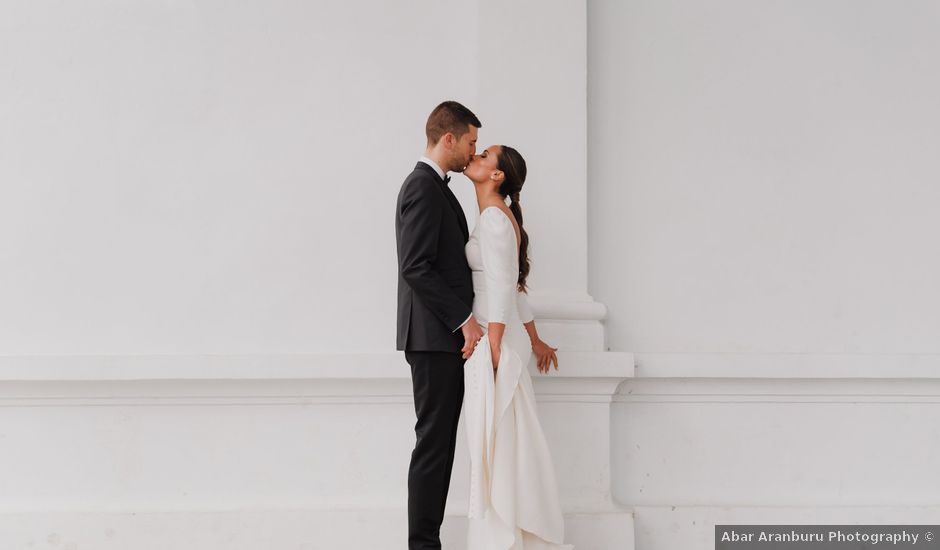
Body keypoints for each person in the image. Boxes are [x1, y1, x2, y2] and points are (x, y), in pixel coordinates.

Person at [460, 144, 572, 549]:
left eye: (485, 155)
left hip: (494, 338)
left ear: (497, 175)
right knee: (501, 436)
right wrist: (535, 338)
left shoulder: (493, 218)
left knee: (495, 437)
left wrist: (492, 344)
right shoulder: (499, 217)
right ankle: (509, 529)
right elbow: (517, 285)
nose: (476, 156)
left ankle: (506, 535)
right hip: (501, 335)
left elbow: (505, 284)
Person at [396, 100, 485, 550]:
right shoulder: (423, 187)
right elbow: (416, 266)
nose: (475, 151)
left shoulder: (437, 187)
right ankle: (423, 545)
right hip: (434, 339)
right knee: (433, 445)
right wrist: (464, 321)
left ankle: (426, 542)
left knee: (440, 444)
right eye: (471, 142)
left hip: (439, 339)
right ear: (447, 138)